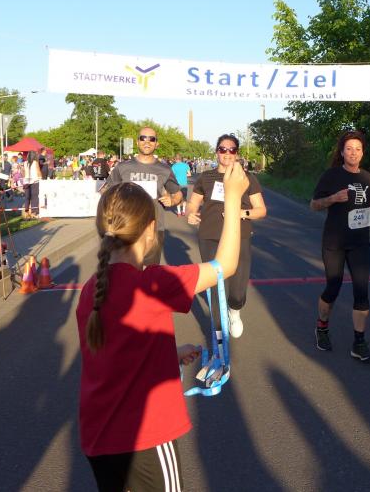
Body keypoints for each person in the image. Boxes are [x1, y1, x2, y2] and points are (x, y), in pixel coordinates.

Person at [75, 163, 248, 492]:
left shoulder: (90, 290)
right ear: (151, 229)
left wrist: (168, 354)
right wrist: (233, 198)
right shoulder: (153, 282)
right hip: (146, 437)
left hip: (98, 436)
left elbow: (117, 354)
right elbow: (224, 266)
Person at [310, 130, 370, 362]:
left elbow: (364, 203)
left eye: (358, 149)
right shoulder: (331, 176)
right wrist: (332, 198)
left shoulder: (368, 178)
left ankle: (359, 343)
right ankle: (322, 327)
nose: (353, 153)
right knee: (333, 287)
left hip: (360, 242)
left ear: (363, 153)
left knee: (362, 291)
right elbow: (314, 205)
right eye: (349, 149)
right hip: (334, 242)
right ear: (342, 152)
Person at [187, 135, 267, 338]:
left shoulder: (247, 178)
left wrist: (241, 213)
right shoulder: (206, 177)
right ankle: (219, 334)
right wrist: (191, 213)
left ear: (237, 153)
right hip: (210, 236)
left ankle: (234, 310)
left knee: (237, 289)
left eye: (232, 150)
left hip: (239, 236)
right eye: (223, 149)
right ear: (217, 152)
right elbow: (193, 203)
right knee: (216, 285)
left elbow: (261, 210)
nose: (227, 153)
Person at [101, 127, 183, 265]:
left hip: (154, 227)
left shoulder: (164, 169)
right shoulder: (123, 167)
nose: (147, 142)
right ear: (137, 142)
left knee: (150, 272)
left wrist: (173, 200)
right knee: (125, 271)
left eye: (152, 139)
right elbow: (105, 191)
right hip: (126, 226)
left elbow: (178, 193)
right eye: (143, 138)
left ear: (157, 144)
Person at [22, 151, 42, 219]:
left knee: (27, 197)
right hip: (34, 181)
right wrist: (41, 178)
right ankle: (34, 213)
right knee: (34, 197)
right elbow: (38, 172)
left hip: (26, 181)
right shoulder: (35, 162)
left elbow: (24, 173)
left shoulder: (25, 163)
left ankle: (26, 213)